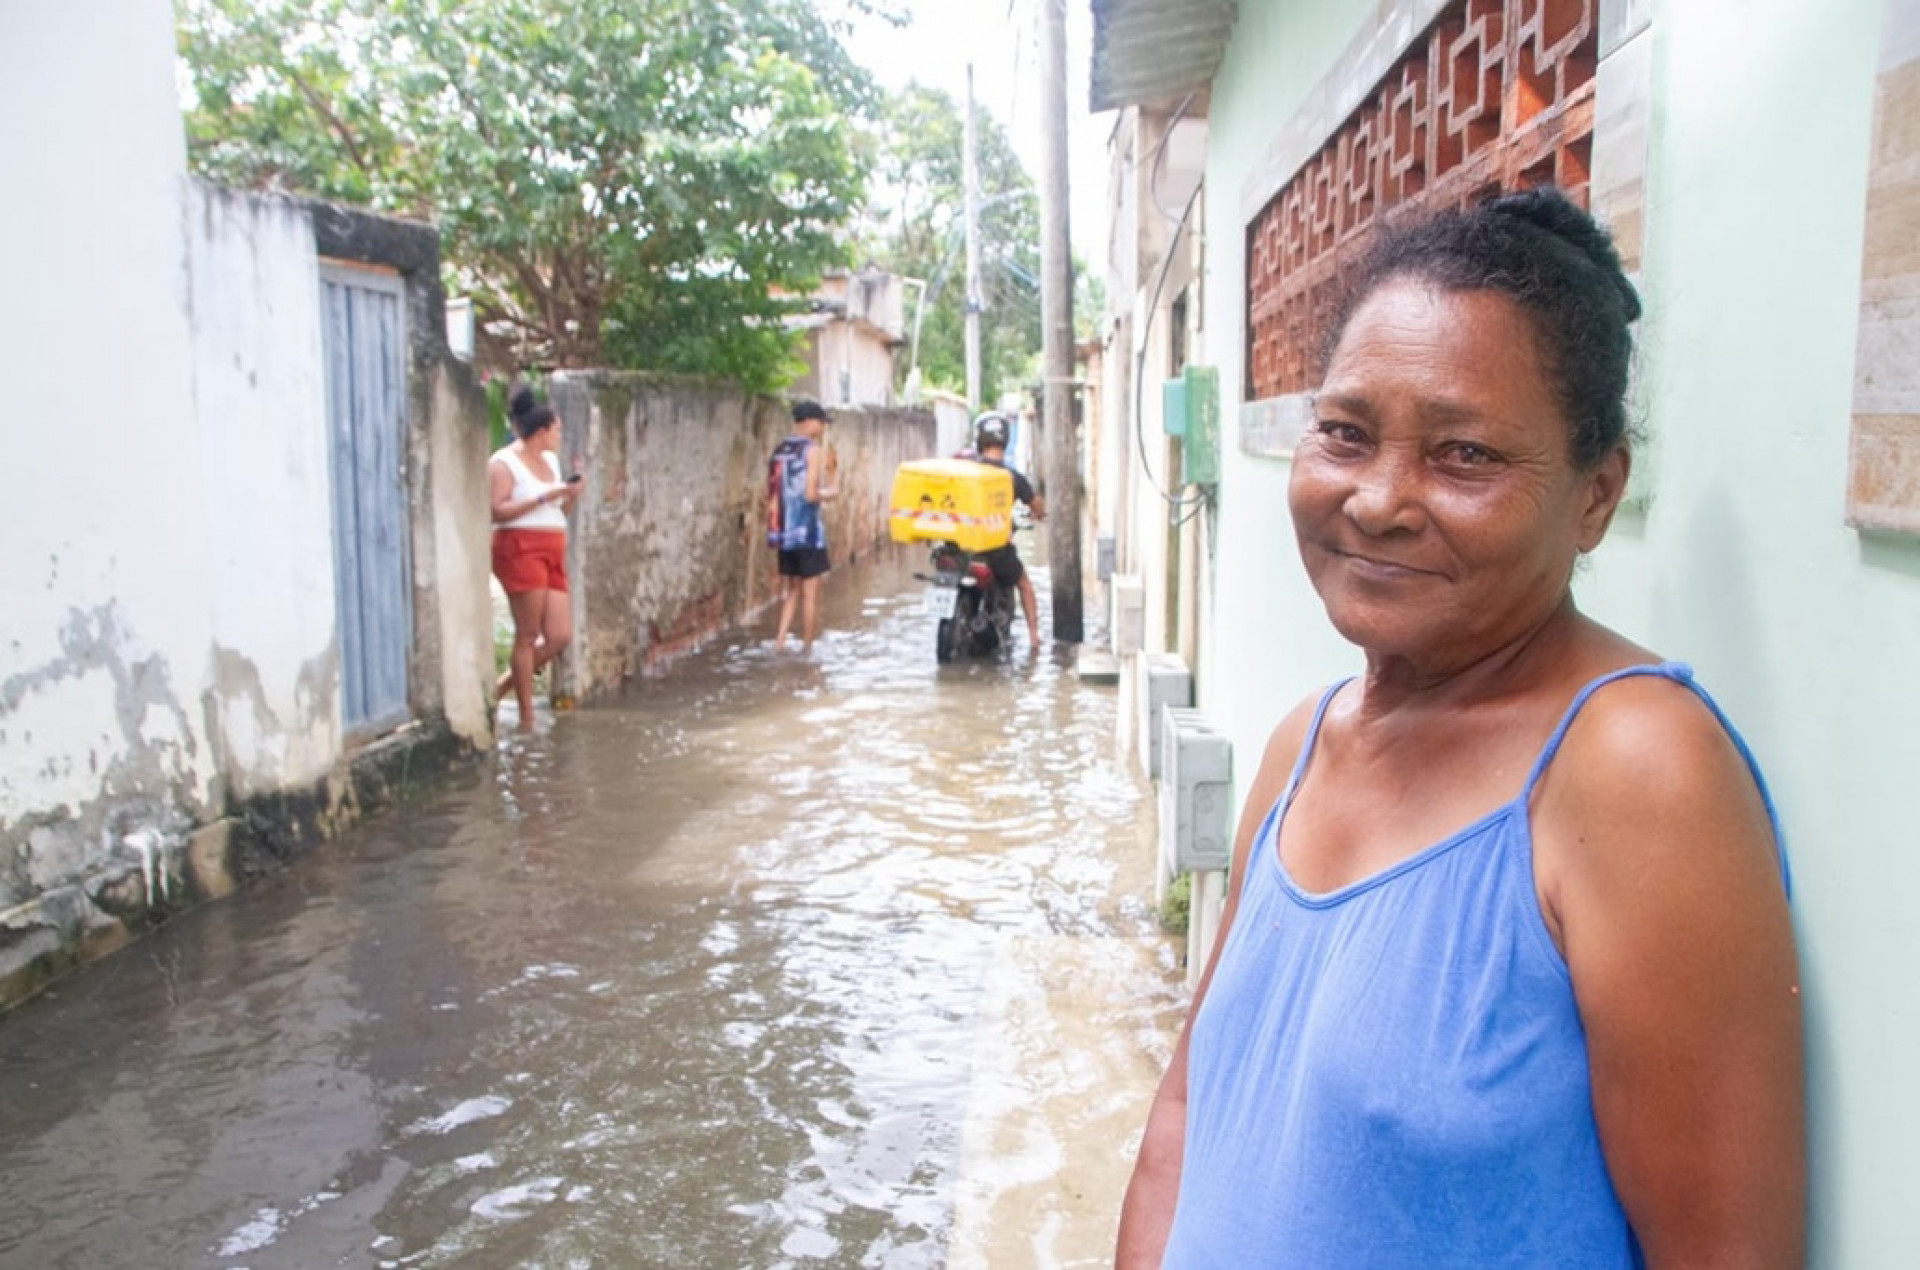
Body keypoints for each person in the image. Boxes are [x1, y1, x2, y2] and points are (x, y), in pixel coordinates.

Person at [1115, 189, 1804, 1268]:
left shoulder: (1632, 771)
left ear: (1594, 494)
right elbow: (1189, 1113)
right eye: (1344, 433)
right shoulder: (1306, 742)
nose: (1380, 499)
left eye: (1465, 455)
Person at [490, 385, 580, 733]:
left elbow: (559, 510)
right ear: (541, 431)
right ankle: (526, 717)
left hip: (552, 545)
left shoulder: (551, 463)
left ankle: (502, 687)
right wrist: (545, 497)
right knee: (526, 634)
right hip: (519, 547)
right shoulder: (502, 464)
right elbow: (497, 510)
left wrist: (568, 495)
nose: (559, 436)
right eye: (556, 430)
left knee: (559, 634)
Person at [967, 412, 1046, 653]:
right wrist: (1038, 513)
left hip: (962, 547)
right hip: (995, 551)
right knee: (1024, 584)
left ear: (980, 440)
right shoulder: (1012, 478)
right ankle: (1034, 639)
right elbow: (1036, 505)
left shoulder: (967, 474)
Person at [768, 399, 838, 653]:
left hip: (784, 534)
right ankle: (808, 648)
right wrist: (832, 487)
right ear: (809, 422)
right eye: (820, 423)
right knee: (810, 594)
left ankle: (779, 643)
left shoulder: (779, 450)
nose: (822, 429)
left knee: (792, 592)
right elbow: (810, 495)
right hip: (808, 534)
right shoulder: (814, 451)